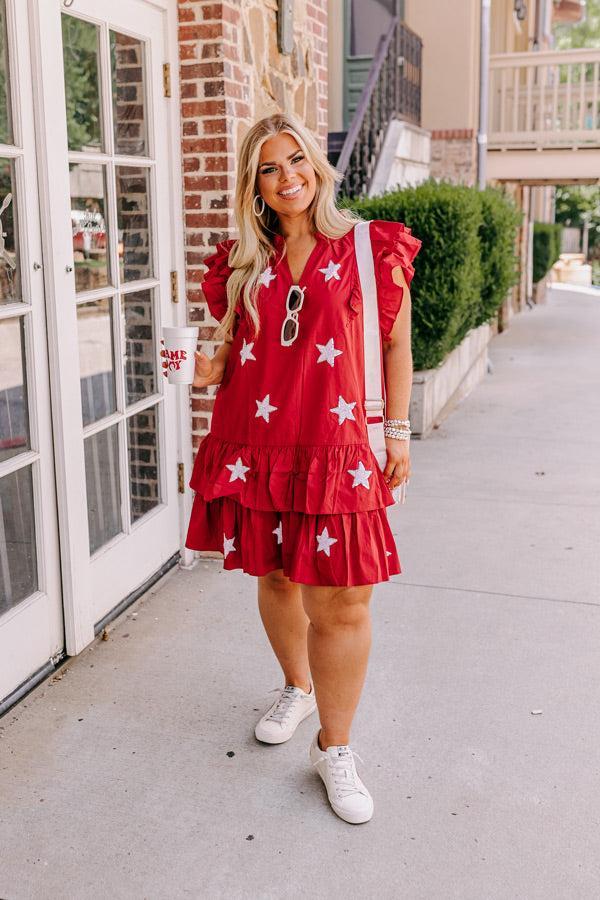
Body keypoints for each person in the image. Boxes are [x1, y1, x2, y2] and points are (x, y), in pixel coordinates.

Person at [165, 113, 421, 825]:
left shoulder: (373, 247)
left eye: (297, 159)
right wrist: (196, 367)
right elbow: (223, 358)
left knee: (342, 600)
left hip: (337, 449)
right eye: (270, 168)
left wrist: (397, 432)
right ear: (255, 185)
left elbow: (397, 347)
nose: (289, 177)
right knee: (276, 575)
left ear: (319, 164)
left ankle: (335, 748)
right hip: (258, 443)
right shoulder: (241, 263)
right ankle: (296, 684)